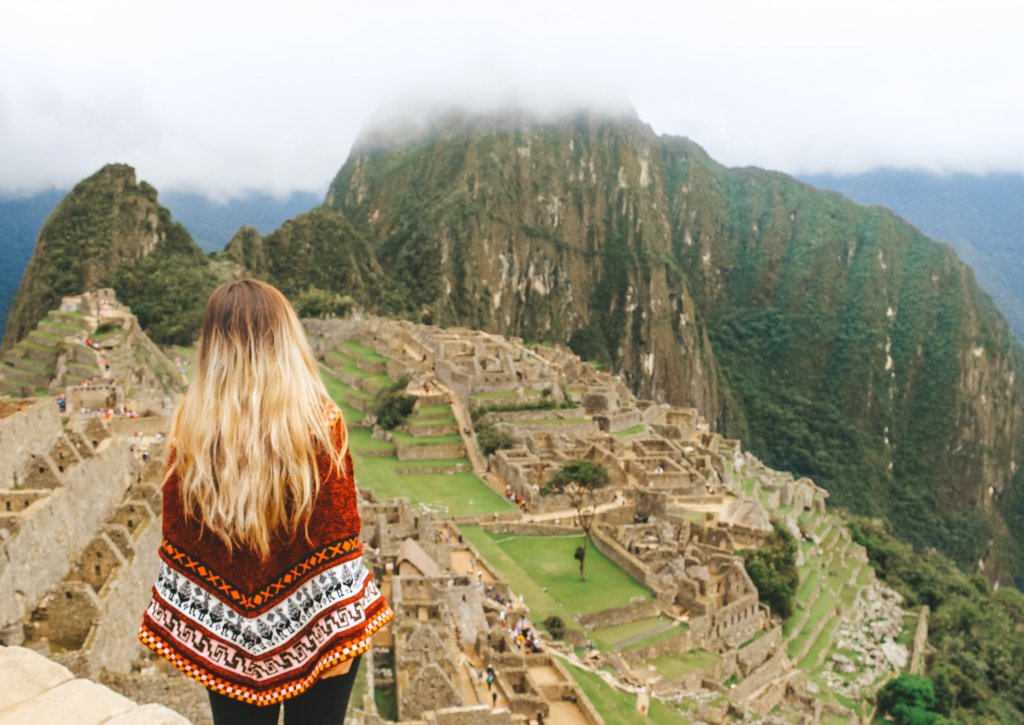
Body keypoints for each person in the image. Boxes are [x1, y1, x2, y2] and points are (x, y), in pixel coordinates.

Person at [138, 280, 393, 725]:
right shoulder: (319, 423)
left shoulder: (191, 431)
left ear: (213, 348)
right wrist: (336, 635)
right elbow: (339, 539)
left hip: (225, 634)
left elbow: (181, 543)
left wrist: (208, 626)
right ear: (284, 339)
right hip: (317, 626)